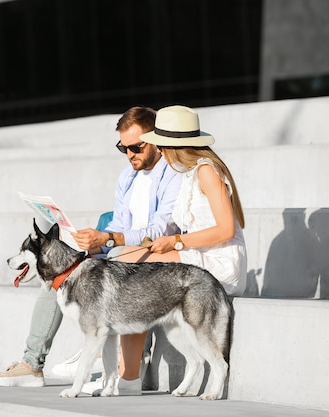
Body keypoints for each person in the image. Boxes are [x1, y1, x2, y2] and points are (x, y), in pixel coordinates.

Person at [0, 106, 182, 392]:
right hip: (121, 253)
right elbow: (118, 223)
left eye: (136, 147)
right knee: (56, 272)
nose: (130, 155)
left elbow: (160, 230)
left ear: (156, 140)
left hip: (153, 258)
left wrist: (110, 239)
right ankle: (32, 365)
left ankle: (104, 354)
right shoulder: (128, 177)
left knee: (103, 268)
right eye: (122, 148)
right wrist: (89, 241)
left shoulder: (172, 174)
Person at [115, 105, 247, 390]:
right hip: (198, 255)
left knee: (132, 267)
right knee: (126, 259)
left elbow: (226, 230)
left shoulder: (207, 173)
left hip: (220, 263)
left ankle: (126, 372)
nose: (159, 151)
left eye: (161, 145)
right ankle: (124, 366)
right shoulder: (189, 174)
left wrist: (176, 242)